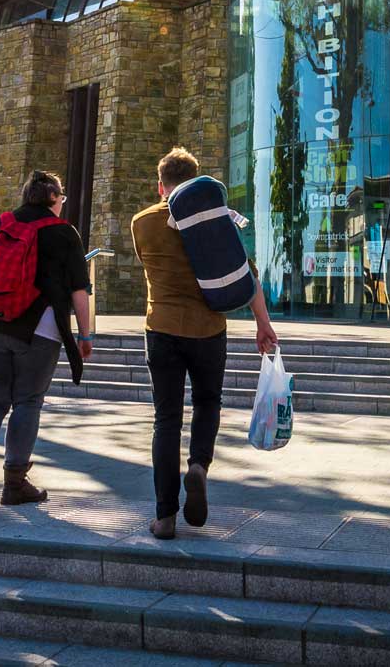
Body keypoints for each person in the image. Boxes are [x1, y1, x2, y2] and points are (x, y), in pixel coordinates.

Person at [132, 146, 278, 540]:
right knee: (208, 403)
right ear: (196, 180)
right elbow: (244, 274)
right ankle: (198, 466)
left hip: (161, 328)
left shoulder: (142, 222)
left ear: (160, 185)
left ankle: (164, 517)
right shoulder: (218, 220)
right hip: (208, 329)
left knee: (166, 419)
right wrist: (262, 324)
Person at [0, 169, 93, 507]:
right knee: (27, 401)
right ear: (54, 198)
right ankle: (14, 483)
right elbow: (79, 291)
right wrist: (84, 335)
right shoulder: (64, 233)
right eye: (62, 198)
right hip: (39, 332)